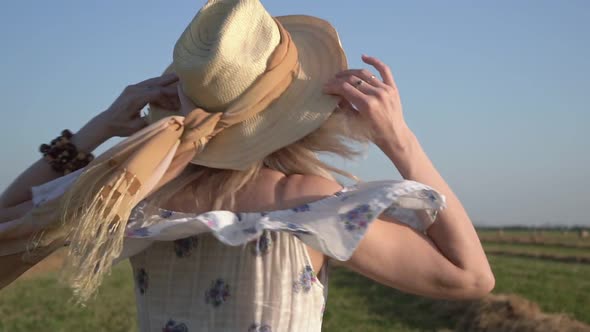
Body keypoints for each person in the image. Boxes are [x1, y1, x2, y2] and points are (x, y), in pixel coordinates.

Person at [0, 0, 494, 331]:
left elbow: (9, 220)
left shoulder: (134, 192)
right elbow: (470, 278)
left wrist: (99, 127)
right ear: (295, 111)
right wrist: (400, 140)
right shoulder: (309, 202)